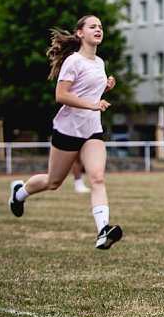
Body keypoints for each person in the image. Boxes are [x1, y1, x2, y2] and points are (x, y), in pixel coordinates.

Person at [7, 14, 123, 250]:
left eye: (100, 26)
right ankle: (19, 193)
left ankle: (103, 231)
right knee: (53, 182)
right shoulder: (73, 61)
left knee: (97, 178)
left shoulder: (99, 62)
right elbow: (61, 96)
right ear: (80, 33)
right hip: (68, 129)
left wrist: (105, 89)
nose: (98, 29)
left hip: (92, 129)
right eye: (92, 26)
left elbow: (91, 96)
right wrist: (93, 104)